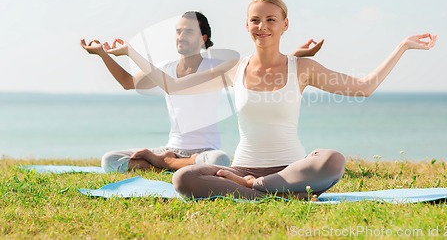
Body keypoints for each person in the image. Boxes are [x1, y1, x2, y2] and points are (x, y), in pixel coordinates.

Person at [105, 0, 437, 198]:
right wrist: (131, 52)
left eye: (270, 19)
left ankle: (260, 190)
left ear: (284, 25)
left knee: (332, 159)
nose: (262, 25)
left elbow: (364, 87)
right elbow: (173, 85)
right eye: (255, 20)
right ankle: (266, 191)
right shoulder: (234, 68)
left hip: (290, 168)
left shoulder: (302, 67)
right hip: (241, 167)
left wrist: (402, 47)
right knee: (183, 179)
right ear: (246, 26)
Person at [81, 11, 323, 173]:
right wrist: (102, 54)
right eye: (178, 31)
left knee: (220, 161)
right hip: (172, 148)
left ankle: (164, 164)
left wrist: (296, 57)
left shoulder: (214, 67)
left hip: (204, 153)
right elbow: (127, 82)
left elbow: (259, 68)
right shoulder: (165, 67)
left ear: (202, 38)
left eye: (188, 32)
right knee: (110, 161)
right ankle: (168, 162)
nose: (180, 36)